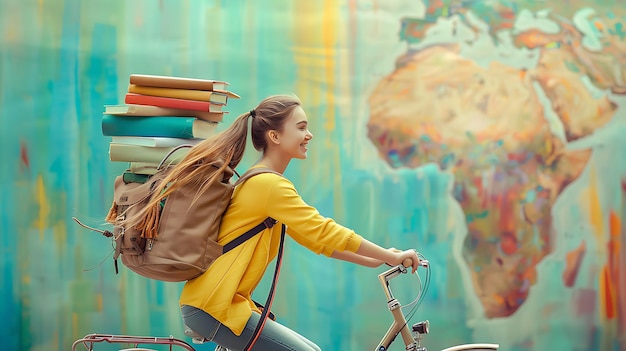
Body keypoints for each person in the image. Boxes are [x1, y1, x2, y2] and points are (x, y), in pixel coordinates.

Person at [171, 94, 419, 350]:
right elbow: (324, 231)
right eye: (301, 127)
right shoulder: (268, 185)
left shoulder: (262, 181)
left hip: (220, 304)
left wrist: (376, 259)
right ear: (274, 136)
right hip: (214, 306)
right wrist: (388, 257)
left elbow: (316, 241)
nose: (309, 134)